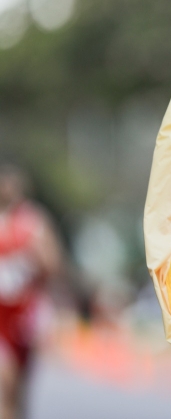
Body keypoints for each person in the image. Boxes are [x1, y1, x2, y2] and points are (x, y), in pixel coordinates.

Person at [0, 164, 63, 419]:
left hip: (25, 314)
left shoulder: (34, 221)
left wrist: (39, 258)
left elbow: (53, 264)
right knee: (5, 382)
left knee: (21, 390)